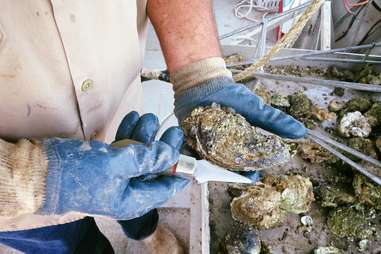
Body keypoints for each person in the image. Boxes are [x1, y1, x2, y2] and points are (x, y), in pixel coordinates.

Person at [0, 1, 306, 253]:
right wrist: (31, 178)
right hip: (23, 200)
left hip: (118, 114)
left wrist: (199, 72)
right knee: (68, 245)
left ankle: (147, 232)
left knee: (140, 188)